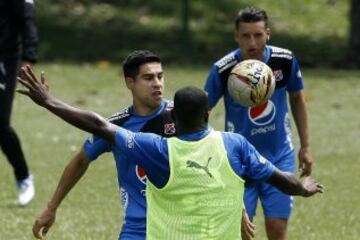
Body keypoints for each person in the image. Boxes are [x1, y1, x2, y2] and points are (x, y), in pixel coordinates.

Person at [18, 65, 323, 239]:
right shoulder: (235, 144)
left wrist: (48, 101)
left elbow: (99, 125)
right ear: (207, 113)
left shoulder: (157, 150)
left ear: (173, 118)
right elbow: (280, 179)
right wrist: (304, 187)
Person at [25, 50, 252, 240]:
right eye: (148, 78)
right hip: (138, 228)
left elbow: (216, 157)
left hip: (184, 224)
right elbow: (81, 160)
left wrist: (237, 207)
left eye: (160, 76)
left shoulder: (183, 115)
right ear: (130, 82)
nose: (157, 84)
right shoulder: (117, 126)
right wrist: (52, 207)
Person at [204, 6, 313, 240]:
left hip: (279, 156)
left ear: (268, 34)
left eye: (258, 35)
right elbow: (202, 111)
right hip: (239, 161)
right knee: (242, 230)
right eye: (245, 36)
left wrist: (306, 146)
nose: (252, 43)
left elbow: (297, 97)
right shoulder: (223, 70)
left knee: (277, 229)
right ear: (236, 37)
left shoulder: (284, 60)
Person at [0, 0, 38, 206]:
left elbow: (27, 17)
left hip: (5, 58)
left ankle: (23, 177)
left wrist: (29, 56)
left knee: (0, 124)